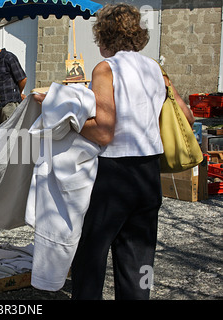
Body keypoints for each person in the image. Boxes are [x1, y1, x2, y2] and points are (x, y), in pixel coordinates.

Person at [34, 4, 194, 300]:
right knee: (138, 257)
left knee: (91, 253)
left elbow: (104, 131)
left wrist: (63, 117)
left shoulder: (106, 69)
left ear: (104, 35)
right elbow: (187, 117)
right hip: (148, 174)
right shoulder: (157, 70)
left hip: (114, 174)